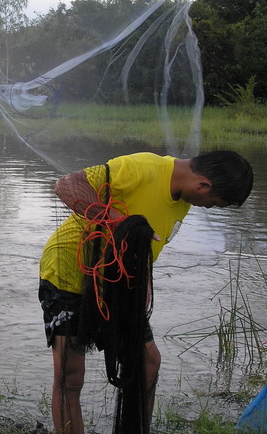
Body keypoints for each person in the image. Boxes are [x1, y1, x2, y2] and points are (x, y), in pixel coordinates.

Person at [38, 150, 253, 434]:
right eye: (212, 204)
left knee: (148, 363)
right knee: (71, 375)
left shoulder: (183, 196)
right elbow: (66, 185)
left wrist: (144, 283)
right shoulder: (143, 167)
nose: (206, 208)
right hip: (69, 273)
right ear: (203, 186)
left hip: (119, 282)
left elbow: (145, 246)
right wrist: (119, 223)